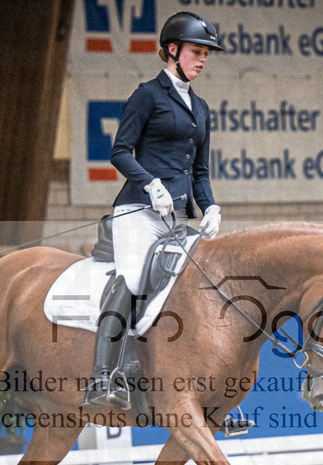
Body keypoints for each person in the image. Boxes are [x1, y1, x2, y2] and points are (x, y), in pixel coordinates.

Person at [84, 11, 225, 409]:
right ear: (173, 50)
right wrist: (151, 184)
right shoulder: (147, 94)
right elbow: (119, 152)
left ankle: (213, 393)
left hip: (175, 218)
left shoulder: (201, 109)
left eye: (206, 55)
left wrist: (210, 205)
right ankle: (101, 380)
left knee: (204, 284)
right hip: (136, 212)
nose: (201, 60)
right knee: (132, 279)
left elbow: (199, 171)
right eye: (197, 52)